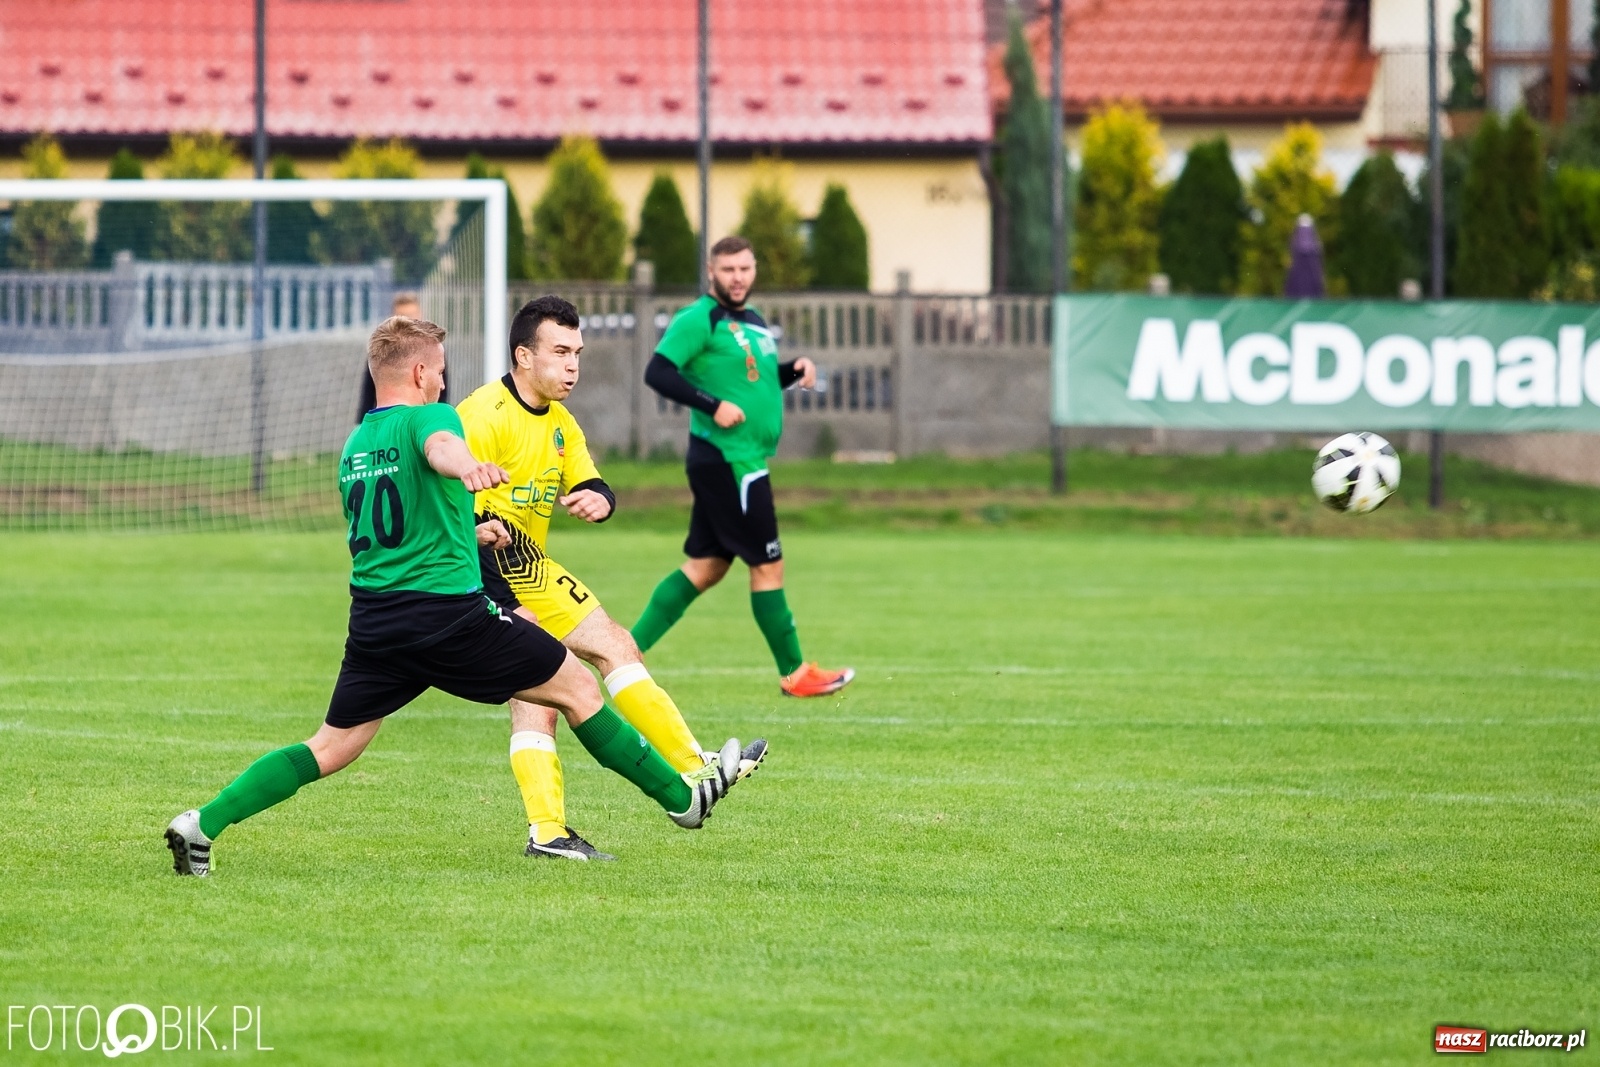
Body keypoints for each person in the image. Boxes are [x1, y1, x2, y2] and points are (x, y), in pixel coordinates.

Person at [165, 316, 745, 877]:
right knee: (577, 685)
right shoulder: (433, 419)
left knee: (332, 747)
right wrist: (468, 466)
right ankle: (682, 799)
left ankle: (202, 823)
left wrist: (472, 529)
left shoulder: (356, 446)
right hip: (448, 617)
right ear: (418, 373)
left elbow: (401, 531)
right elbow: (442, 445)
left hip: (375, 625)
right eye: (439, 370)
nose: (444, 380)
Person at [457, 296, 768, 861]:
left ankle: (693, 768)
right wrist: (498, 600)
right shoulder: (483, 415)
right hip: (478, 572)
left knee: (614, 645)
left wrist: (599, 500)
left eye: (577, 352)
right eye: (560, 352)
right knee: (543, 693)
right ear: (523, 356)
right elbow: (449, 509)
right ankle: (549, 830)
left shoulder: (559, 423)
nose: (573, 365)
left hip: (530, 563)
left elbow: (592, 481)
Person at [632, 236, 854, 698]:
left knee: (707, 567)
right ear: (711, 272)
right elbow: (658, 372)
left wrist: (795, 369)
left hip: (741, 460)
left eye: (745, 269)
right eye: (729, 269)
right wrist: (712, 406)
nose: (738, 277)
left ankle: (624, 652)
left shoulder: (752, 322)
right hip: (730, 462)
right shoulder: (700, 318)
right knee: (768, 566)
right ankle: (795, 675)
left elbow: (755, 379)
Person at [356, 292, 426, 421]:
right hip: (387, 425)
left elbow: (441, 395)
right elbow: (368, 393)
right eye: (402, 318)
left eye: (411, 317)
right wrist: (361, 425)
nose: (408, 323)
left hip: (420, 424)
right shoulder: (380, 353)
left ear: (420, 316)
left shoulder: (432, 353)